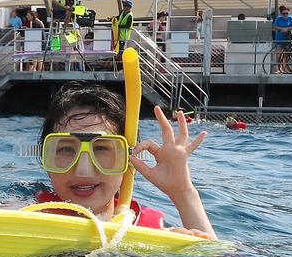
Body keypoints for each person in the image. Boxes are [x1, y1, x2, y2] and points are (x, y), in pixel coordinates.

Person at [32, 83, 215, 238]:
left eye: (101, 148)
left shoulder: (150, 230)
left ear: (127, 159)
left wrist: (183, 193)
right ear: (46, 159)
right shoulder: (26, 215)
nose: (83, 170)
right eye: (66, 149)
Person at [271, 4, 292, 74]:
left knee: (286, 55)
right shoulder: (278, 19)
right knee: (278, 54)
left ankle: (284, 69)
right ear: (281, 13)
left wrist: (286, 29)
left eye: (287, 13)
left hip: (287, 39)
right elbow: (274, 27)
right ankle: (278, 68)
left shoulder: (290, 18)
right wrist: (281, 28)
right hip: (279, 39)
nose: (285, 15)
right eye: (284, 13)